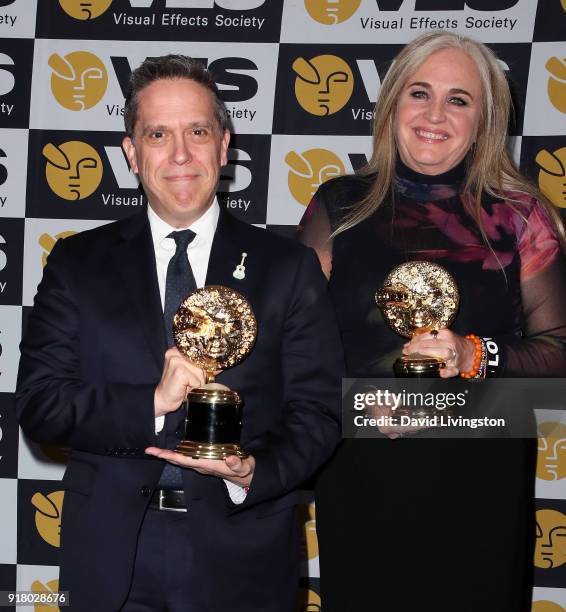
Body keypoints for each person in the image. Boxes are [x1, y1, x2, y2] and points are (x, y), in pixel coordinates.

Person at [16, 55, 343, 612]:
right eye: (158, 134)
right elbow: (41, 406)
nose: (180, 154)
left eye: (197, 131)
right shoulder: (77, 263)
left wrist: (254, 468)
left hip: (245, 555)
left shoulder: (286, 267)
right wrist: (152, 403)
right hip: (114, 557)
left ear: (224, 145)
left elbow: (318, 413)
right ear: (131, 152)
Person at [299, 31, 566, 612]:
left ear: (485, 119)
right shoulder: (339, 206)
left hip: (479, 483)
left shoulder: (520, 216)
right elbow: (295, 345)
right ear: (392, 106)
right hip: (363, 479)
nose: (435, 114)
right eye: (419, 92)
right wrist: (356, 405)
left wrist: (474, 355)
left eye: (459, 99)